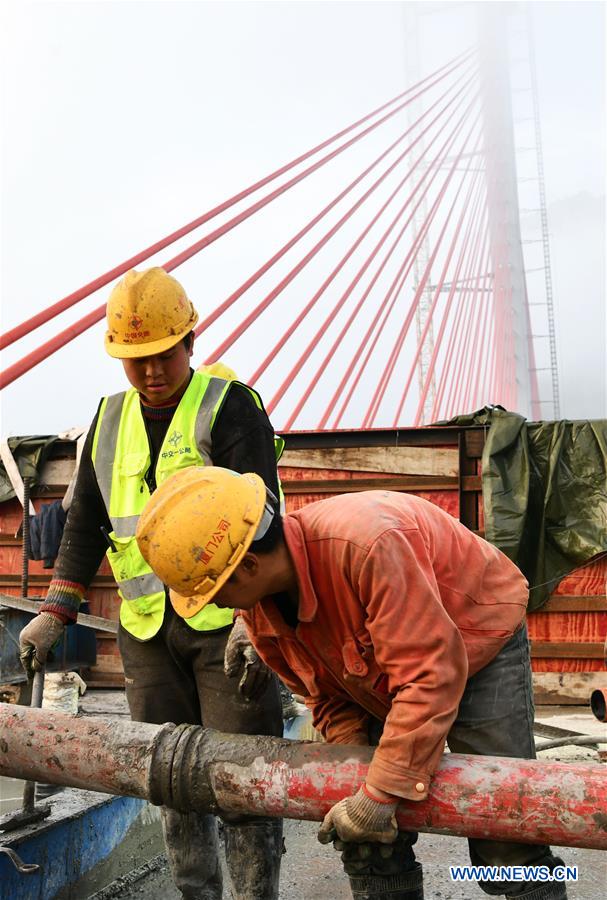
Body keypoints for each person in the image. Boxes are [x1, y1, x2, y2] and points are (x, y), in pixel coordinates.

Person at [136, 465, 569, 900]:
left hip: (477, 641)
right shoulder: (261, 616)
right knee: (366, 839)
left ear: (248, 565)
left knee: (505, 826)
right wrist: (358, 776)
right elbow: (324, 696)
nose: (213, 605)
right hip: (387, 669)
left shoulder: (370, 545)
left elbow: (428, 678)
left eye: (213, 592)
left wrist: (381, 793)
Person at [19, 268, 284, 900]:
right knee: (167, 778)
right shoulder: (109, 419)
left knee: (241, 779)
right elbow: (86, 520)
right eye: (137, 359)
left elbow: (264, 519)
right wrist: (56, 610)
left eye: (164, 354)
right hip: (146, 632)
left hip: (222, 627)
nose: (152, 370)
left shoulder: (229, 407)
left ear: (190, 340)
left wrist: (255, 621)